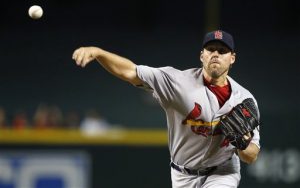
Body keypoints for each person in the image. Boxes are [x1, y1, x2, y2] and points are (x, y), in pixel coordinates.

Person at [72, 30, 260, 188]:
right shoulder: (177, 82)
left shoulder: (244, 99)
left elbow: (251, 156)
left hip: (223, 171)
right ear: (202, 55)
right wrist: (98, 53)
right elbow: (130, 71)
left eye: (223, 50)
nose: (216, 54)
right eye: (211, 49)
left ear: (232, 58)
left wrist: (242, 144)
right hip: (182, 174)